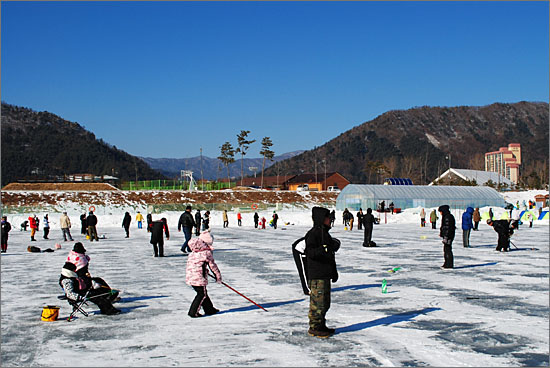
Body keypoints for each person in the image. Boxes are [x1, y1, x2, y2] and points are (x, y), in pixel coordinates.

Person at [304, 206, 340, 338]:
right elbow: (311, 253)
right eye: (327, 218)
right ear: (321, 219)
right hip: (317, 274)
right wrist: (323, 249)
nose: (330, 220)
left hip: (325, 273)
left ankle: (321, 324)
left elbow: (330, 254)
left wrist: (333, 272)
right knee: (317, 303)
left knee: (325, 302)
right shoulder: (313, 234)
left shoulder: (325, 233)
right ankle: (314, 326)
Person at [186, 230, 222, 318]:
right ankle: (193, 312)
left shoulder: (194, 251)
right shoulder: (206, 252)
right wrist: (218, 276)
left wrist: (203, 270)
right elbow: (213, 266)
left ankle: (209, 309)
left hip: (191, 276)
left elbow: (196, 265)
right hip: (199, 277)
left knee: (203, 293)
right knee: (201, 294)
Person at [438, 205, 455, 269]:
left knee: (447, 249)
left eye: (441, 212)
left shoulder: (447, 217)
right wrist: (441, 233)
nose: (440, 213)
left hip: (448, 236)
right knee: (446, 249)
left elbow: (448, 228)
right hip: (448, 235)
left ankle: (449, 264)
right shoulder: (446, 216)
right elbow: (444, 227)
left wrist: (446, 237)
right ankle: (447, 263)